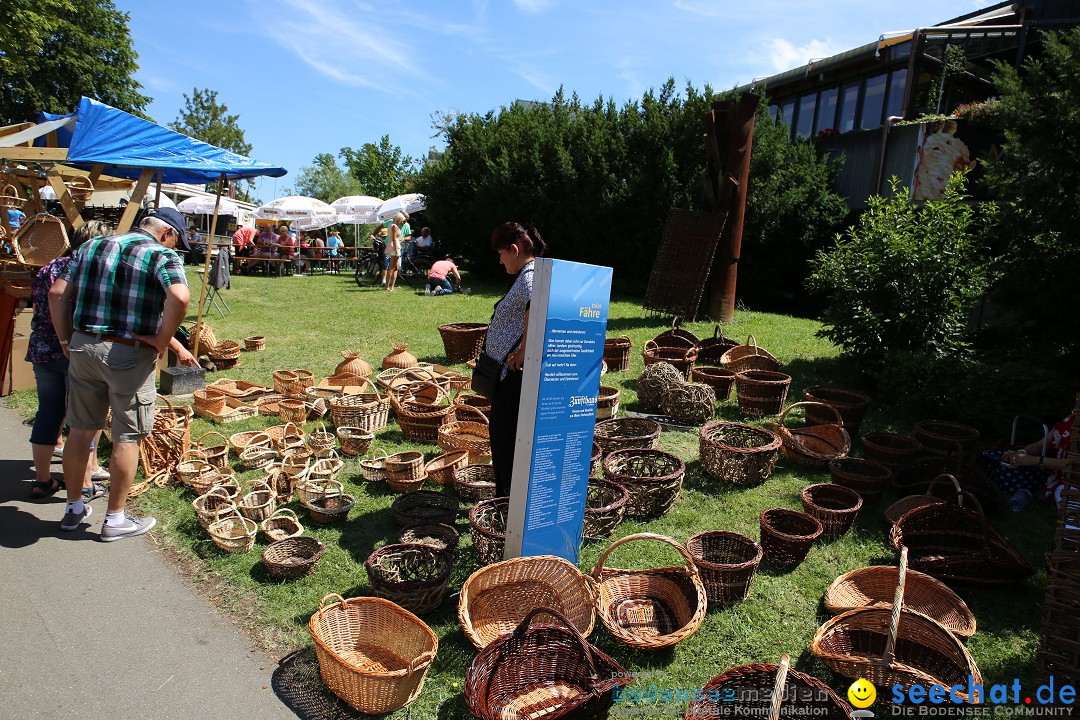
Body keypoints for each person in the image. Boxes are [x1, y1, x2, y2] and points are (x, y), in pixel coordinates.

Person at [48, 207, 192, 540]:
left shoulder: (90, 246)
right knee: (128, 436)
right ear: (167, 233)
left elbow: (57, 294)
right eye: (175, 240)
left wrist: (66, 339)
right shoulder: (162, 255)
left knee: (81, 431)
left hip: (83, 346)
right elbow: (179, 296)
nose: (175, 246)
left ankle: (73, 507)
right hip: (130, 353)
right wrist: (160, 341)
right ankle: (115, 519)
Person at [27, 220, 114, 500]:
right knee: (84, 418)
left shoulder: (47, 268)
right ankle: (85, 481)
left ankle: (42, 481)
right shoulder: (91, 271)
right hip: (75, 349)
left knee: (48, 412)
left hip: (43, 349)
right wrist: (66, 340)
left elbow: (37, 306)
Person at [484, 222, 546, 496]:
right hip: (507, 374)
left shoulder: (531, 275)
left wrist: (524, 351)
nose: (500, 260)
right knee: (506, 437)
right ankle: (509, 497)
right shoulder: (532, 273)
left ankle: (506, 500)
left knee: (504, 439)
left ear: (514, 248)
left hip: (512, 377)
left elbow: (537, 304)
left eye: (501, 254)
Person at [984, 406, 1077, 511]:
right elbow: (1040, 445)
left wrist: (1035, 460)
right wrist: (1020, 453)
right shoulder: (1071, 420)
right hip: (1067, 484)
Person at [385, 214, 404, 291]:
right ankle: (387, 286)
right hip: (394, 248)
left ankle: (392, 286)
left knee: (395, 268)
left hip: (392, 246)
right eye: (401, 221)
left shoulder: (390, 225)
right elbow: (395, 239)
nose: (402, 222)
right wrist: (396, 251)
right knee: (392, 267)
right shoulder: (395, 226)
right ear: (398, 219)